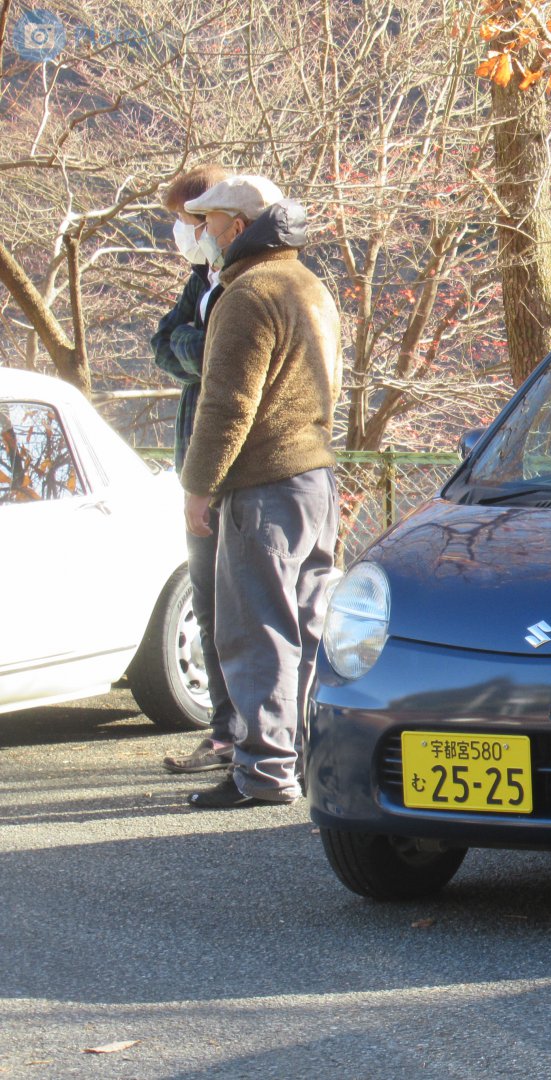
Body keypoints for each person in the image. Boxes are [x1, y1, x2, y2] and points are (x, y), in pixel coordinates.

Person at [179, 175, 342, 809]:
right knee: (306, 628)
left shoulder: (248, 293)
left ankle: (264, 774)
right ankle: (299, 757)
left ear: (239, 227)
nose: (203, 235)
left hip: (264, 487)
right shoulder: (309, 284)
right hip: (315, 479)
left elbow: (226, 404)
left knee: (256, 632)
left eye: (211, 223)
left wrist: (198, 487)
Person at [151, 164, 240, 774]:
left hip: (235, 473)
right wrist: (197, 345)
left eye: (188, 222)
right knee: (209, 607)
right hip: (196, 470)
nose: (183, 234)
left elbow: (220, 358)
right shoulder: (199, 279)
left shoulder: (245, 281)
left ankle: (259, 738)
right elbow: (165, 343)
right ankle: (224, 731)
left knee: (249, 608)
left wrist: (197, 345)